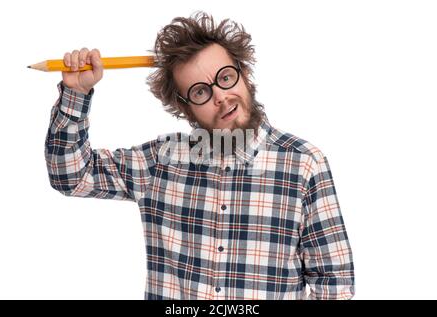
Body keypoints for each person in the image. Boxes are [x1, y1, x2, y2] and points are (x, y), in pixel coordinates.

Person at [45, 11, 355, 300]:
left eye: (225, 77)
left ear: (244, 73)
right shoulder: (159, 162)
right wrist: (77, 93)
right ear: (184, 107)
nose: (220, 97)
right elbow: (71, 176)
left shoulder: (303, 163)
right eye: (200, 92)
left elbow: (334, 282)